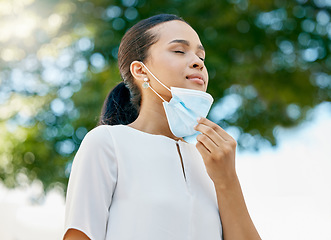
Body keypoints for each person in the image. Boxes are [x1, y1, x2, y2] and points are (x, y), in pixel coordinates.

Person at [63, 14, 261, 240]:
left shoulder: (212, 162)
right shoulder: (107, 142)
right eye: (179, 51)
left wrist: (228, 180)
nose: (198, 62)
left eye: (201, 55)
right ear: (140, 70)